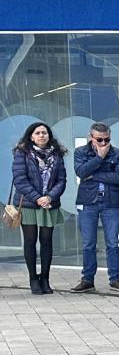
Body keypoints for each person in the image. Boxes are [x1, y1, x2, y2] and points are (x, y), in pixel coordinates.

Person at [71, 122, 119, 294]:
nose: (103, 143)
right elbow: (81, 172)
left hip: (111, 203)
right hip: (88, 201)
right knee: (88, 243)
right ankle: (87, 279)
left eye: (107, 140)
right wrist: (100, 159)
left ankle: (116, 278)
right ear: (91, 137)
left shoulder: (118, 153)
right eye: (99, 139)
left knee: (113, 242)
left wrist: (94, 174)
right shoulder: (81, 152)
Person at [11, 121, 66, 294]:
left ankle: (45, 279)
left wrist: (49, 197)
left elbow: (62, 180)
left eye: (44, 132)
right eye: (37, 133)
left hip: (49, 203)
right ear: (31, 137)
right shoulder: (22, 153)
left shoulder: (57, 155)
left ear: (49, 136)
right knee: (30, 240)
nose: (41, 135)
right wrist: (38, 198)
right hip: (28, 203)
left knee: (47, 241)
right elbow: (20, 180)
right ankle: (33, 279)